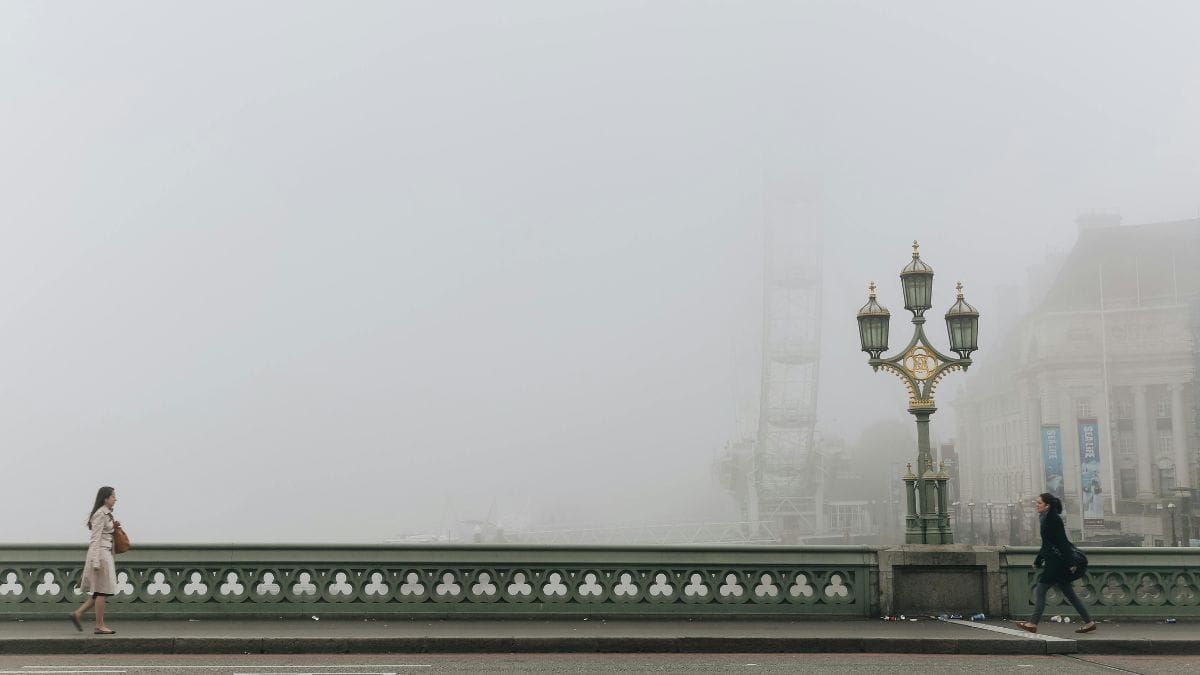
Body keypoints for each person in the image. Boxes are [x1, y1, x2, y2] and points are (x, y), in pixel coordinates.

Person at [1017, 492, 1097, 634]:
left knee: (1041, 590)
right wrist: (1038, 561)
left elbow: (1062, 542)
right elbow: (1047, 544)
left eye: (1039, 503)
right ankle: (1089, 622)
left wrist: (1071, 562)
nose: (1037, 505)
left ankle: (1032, 623)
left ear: (1047, 506)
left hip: (1056, 563)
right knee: (1069, 593)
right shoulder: (1045, 518)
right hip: (1055, 561)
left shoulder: (1053, 519)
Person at [70, 486, 120, 634]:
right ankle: (99, 625)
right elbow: (95, 540)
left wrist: (113, 527)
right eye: (113, 496)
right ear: (105, 498)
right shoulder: (100, 514)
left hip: (105, 554)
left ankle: (77, 614)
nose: (115, 499)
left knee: (98, 592)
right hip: (101, 556)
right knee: (101, 591)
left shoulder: (106, 514)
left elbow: (104, 533)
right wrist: (96, 563)